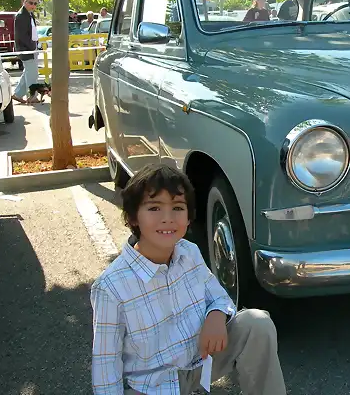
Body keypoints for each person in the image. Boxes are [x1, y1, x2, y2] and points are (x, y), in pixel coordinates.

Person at [91, 164, 286, 395]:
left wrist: (216, 315)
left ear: (189, 217)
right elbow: (106, 366)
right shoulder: (111, 287)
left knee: (256, 323)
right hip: (152, 387)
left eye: (177, 207)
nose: (167, 219)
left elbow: (217, 296)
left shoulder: (188, 252)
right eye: (154, 208)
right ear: (133, 217)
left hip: (198, 367)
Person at [12, 0, 41, 104]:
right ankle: (32, 96)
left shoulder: (29, 14)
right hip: (26, 50)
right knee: (33, 73)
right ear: (25, 2)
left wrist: (36, 44)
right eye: (30, 3)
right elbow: (21, 36)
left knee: (28, 72)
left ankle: (18, 94)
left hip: (31, 49)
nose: (33, 5)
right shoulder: (20, 16)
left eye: (35, 3)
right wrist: (32, 47)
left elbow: (32, 32)